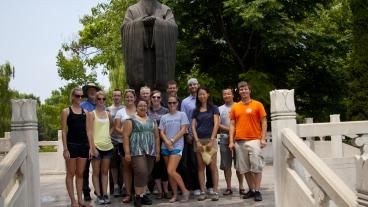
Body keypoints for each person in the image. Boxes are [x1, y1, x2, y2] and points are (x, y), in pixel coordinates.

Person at [121, 0, 178, 91]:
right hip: (140, 56)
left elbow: (174, 28)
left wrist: (157, 22)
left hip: (160, 60)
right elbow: (125, 29)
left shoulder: (165, 9)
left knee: (161, 91)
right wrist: (140, 23)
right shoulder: (132, 10)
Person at [229, 81, 267, 202]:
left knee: (256, 166)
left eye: (245, 89)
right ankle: (251, 189)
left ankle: (258, 190)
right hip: (239, 141)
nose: (243, 91)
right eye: (241, 89)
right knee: (244, 169)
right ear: (239, 92)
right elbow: (232, 125)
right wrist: (231, 141)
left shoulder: (258, 105)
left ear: (249, 90)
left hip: (254, 140)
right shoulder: (235, 107)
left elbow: (264, 122)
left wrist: (263, 138)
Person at [122, 98, 160, 207]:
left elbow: (157, 137)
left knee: (146, 173)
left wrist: (157, 152)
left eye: (145, 105)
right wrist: (127, 152)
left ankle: (143, 195)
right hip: (136, 150)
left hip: (151, 150)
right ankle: (138, 196)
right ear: (136, 107)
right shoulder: (131, 120)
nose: (143, 107)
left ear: (147, 107)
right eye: (140, 106)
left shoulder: (152, 120)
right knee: (141, 172)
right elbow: (125, 136)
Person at [61, 87, 93, 207]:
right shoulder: (66, 111)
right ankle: (73, 201)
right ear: (73, 97)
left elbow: (89, 131)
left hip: (84, 145)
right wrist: (65, 149)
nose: (80, 98)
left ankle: (80, 200)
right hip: (71, 145)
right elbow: (63, 131)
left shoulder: (86, 112)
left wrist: (91, 147)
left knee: (80, 173)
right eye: (77, 96)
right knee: (70, 173)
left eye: (81, 96)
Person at [180, 78, 213, 196]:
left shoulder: (205, 99)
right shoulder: (185, 102)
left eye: (194, 84)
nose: (193, 86)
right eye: (190, 85)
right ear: (188, 87)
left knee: (209, 161)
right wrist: (187, 134)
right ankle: (197, 187)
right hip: (192, 136)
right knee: (195, 163)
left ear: (198, 85)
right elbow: (184, 118)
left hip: (207, 135)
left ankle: (210, 186)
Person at [159, 95, 190, 203]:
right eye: (170, 103)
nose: (172, 104)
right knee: (170, 173)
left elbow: (183, 130)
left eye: (174, 103)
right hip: (165, 147)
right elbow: (161, 132)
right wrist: (167, 142)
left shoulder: (182, 114)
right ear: (167, 104)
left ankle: (185, 191)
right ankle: (175, 195)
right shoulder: (164, 117)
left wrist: (171, 141)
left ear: (177, 103)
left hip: (177, 146)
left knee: (171, 170)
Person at [191, 87, 220, 201]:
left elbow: (216, 124)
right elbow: (193, 126)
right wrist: (197, 141)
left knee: (212, 166)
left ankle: (215, 191)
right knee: (200, 167)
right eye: (199, 94)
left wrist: (212, 140)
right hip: (199, 141)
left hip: (210, 140)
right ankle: (202, 191)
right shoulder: (196, 110)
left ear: (208, 94)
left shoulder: (214, 108)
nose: (201, 96)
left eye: (203, 94)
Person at [87, 91, 114, 205]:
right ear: (95, 100)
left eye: (103, 99)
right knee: (96, 173)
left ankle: (104, 194)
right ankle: (98, 195)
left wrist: (108, 134)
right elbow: (89, 132)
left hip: (108, 146)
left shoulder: (108, 113)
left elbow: (112, 126)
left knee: (105, 172)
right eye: (99, 99)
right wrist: (92, 147)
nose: (101, 101)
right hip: (96, 147)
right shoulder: (91, 114)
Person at [218, 88, 246, 196]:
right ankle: (229, 187)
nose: (226, 96)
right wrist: (229, 129)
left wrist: (234, 130)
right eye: (224, 94)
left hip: (238, 137)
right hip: (225, 137)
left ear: (232, 95)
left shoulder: (239, 106)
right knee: (226, 165)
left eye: (228, 94)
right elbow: (218, 124)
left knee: (239, 164)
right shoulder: (219, 109)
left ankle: (241, 186)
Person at [114, 89, 137, 203]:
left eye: (131, 97)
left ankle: (139, 193)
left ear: (134, 98)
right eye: (127, 97)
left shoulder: (139, 110)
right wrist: (125, 134)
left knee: (138, 168)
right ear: (124, 98)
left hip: (138, 144)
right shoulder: (120, 112)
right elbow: (116, 127)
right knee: (126, 169)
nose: (129, 99)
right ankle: (128, 194)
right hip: (123, 144)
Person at [80, 83, 101, 201]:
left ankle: (99, 191)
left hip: (99, 140)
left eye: (94, 90)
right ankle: (85, 190)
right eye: (90, 90)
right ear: (87, 93)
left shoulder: (101, 105)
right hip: (85, 140)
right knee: (85, 168)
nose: (92, 92)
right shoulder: (82, 105)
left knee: (99, 169)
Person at [148, 90, 169, 199]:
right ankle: (159, 191)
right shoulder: (147, 111)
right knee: (155, 167)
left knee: (165, 167)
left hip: (164, 141)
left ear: (161, 99)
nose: (156, 99)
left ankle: (166, 190)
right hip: (151, 142)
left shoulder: (166, 111)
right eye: (154, 97)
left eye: (158, 97)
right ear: (150, 99)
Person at [107, 89, 124, 197]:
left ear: (121, 97)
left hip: (123, 140)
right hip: (112, 141)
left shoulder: (124, 109)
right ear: (112, 97)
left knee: (124, 164)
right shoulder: (108, 109)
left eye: (118, 95)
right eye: (115, 95)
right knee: (113, 165)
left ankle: (124, 185)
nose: (116, 97)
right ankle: (116, 185)